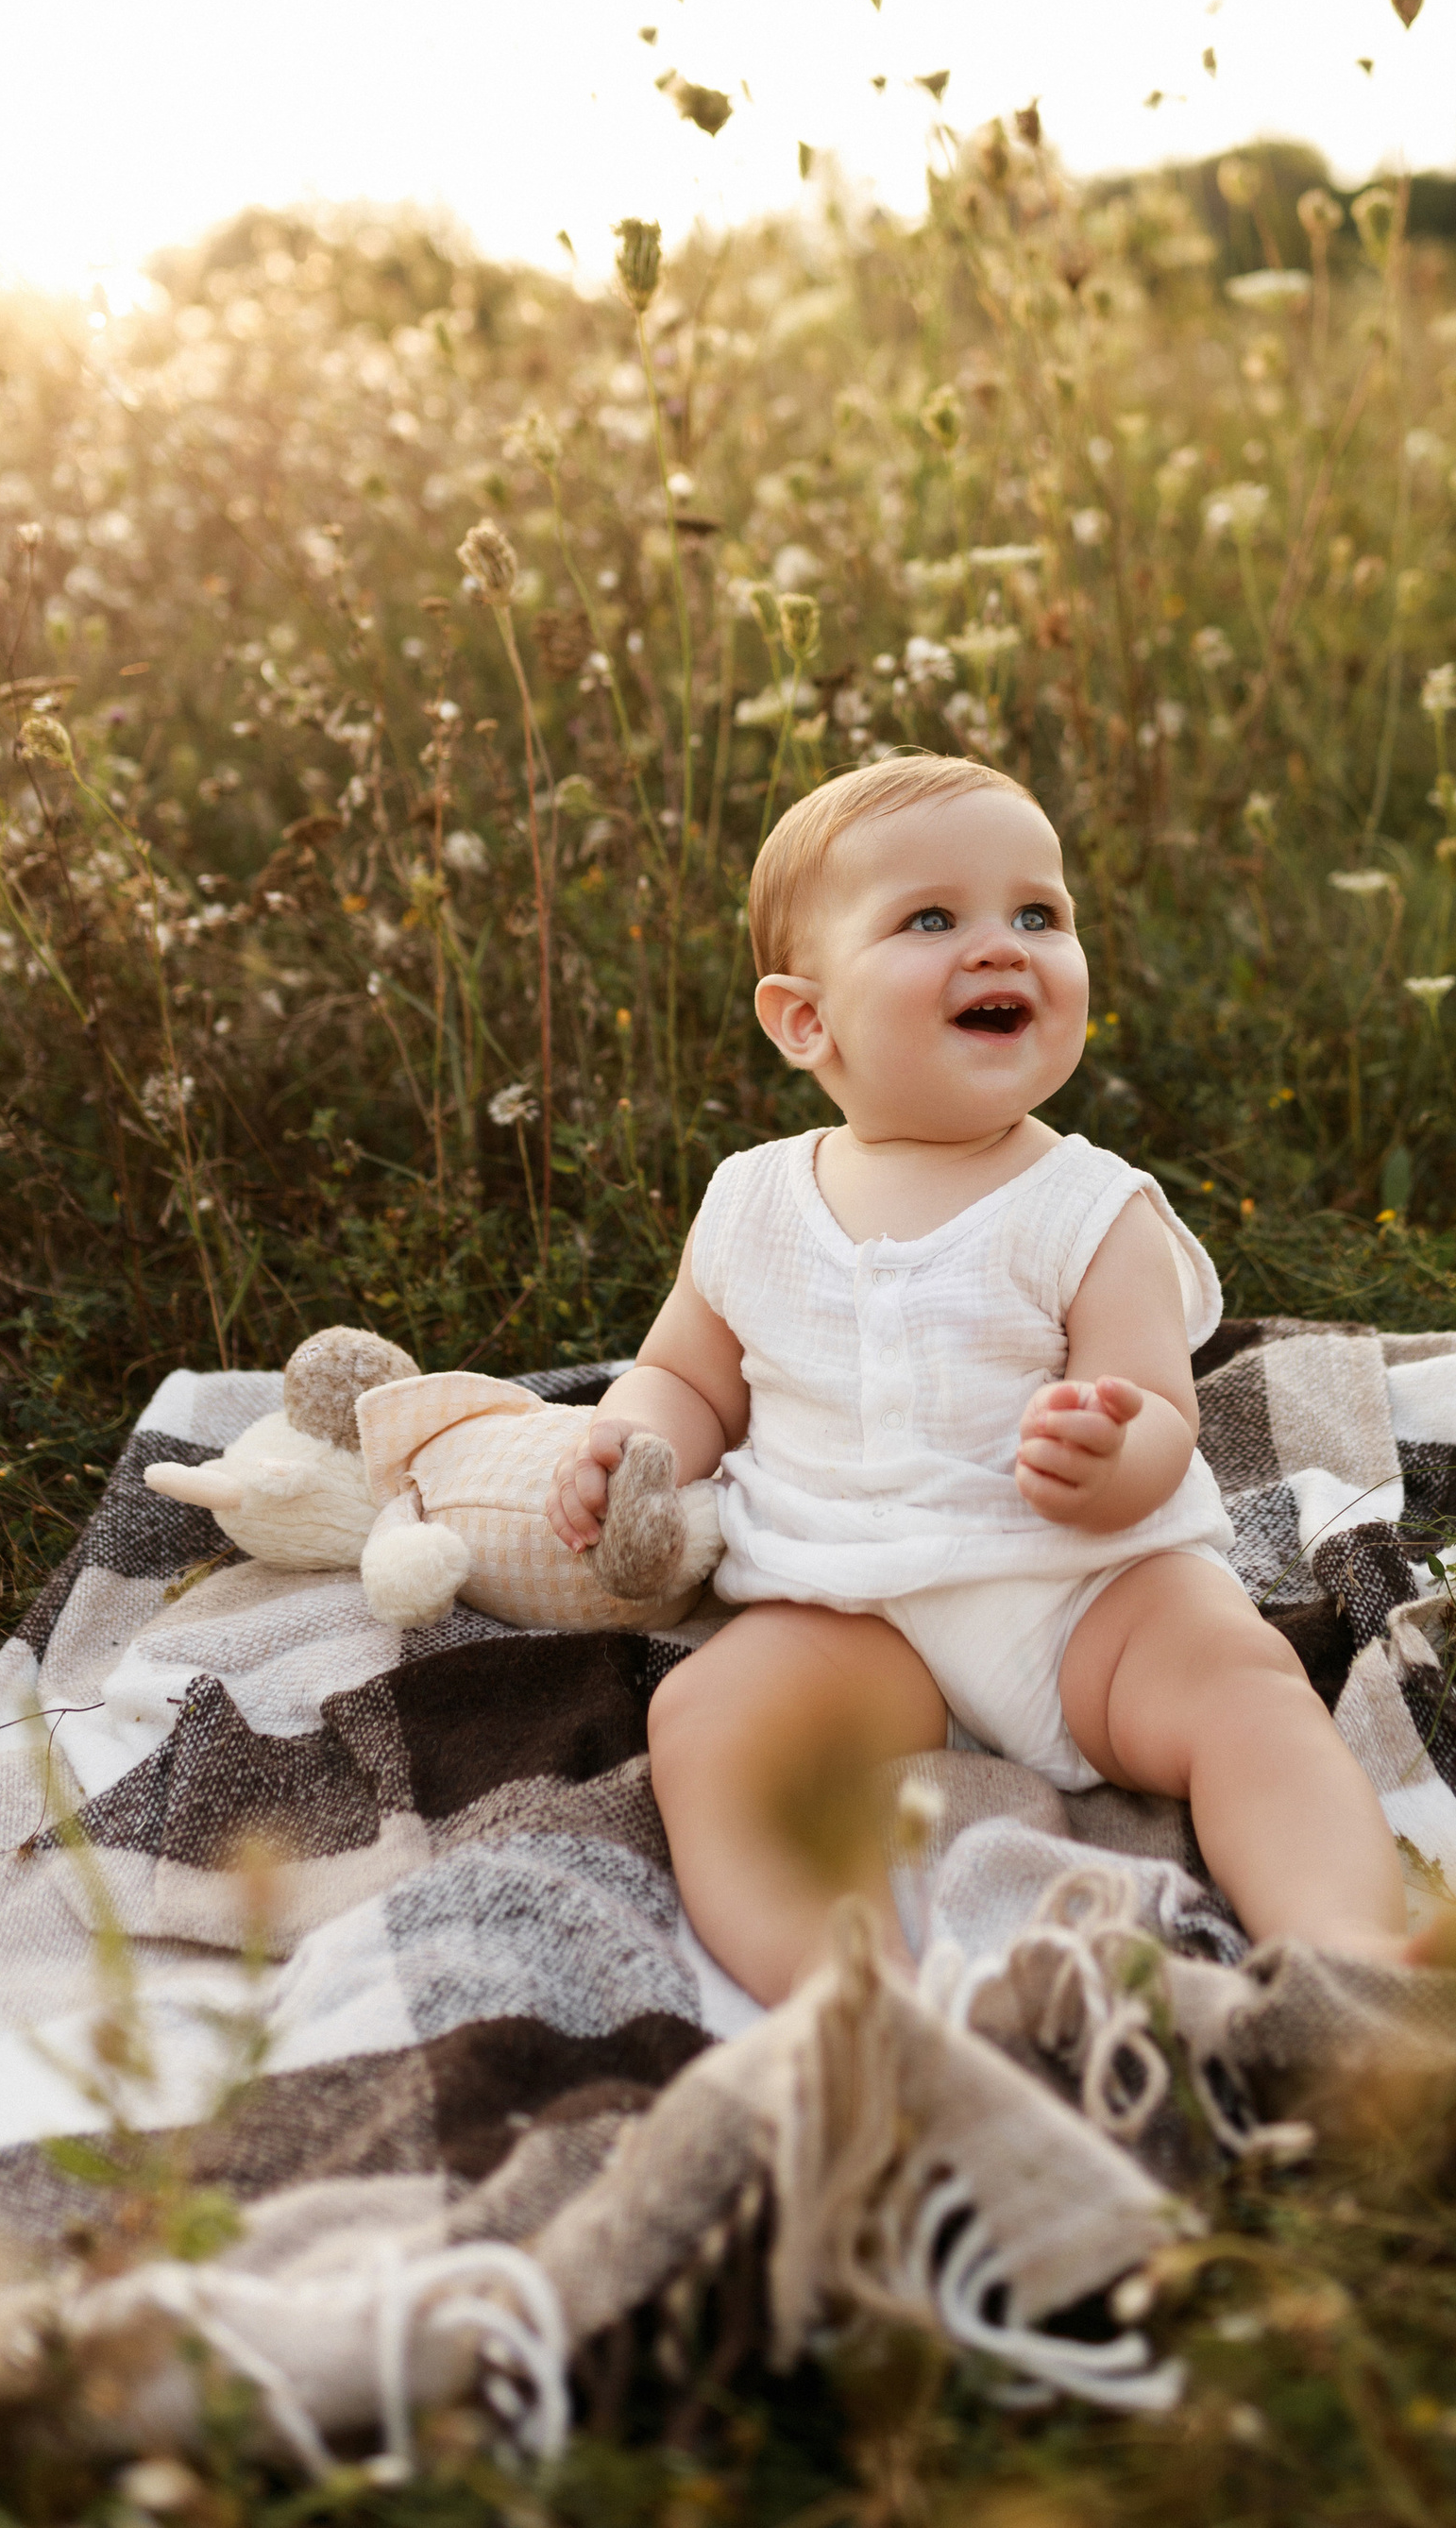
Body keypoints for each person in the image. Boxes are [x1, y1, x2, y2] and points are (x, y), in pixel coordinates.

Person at [546, 752, 1411, 2003]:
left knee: (1242, 1686)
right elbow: (689, 1376)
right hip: (847, 1612)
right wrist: (632, 1446)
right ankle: (851, 1995)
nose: (1002, 947)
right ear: (806, 1018)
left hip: (1086, 1604)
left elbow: (1164, 1412)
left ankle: (1345, 1955)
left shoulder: (1089, 1206)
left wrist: (1115, 1458)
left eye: (1038, 915)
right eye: (931, 918)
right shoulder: (751, 1204)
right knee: (708, 1722)